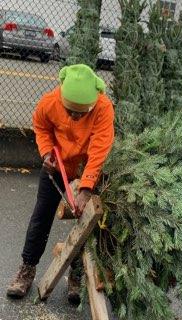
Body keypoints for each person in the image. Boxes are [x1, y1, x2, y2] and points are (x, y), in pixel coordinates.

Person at [6, 64, 115, 304]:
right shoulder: (50, 101)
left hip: (87, 169)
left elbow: (99, 149)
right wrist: (46, 154)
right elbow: (41, 128)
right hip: (57, 166)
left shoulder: (103, 108)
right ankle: (27, 269)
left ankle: (76, 275)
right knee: (41, 216)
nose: (75, 117)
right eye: (70, 111)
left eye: (81, 113)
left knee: (86, 223)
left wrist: (86, 187)